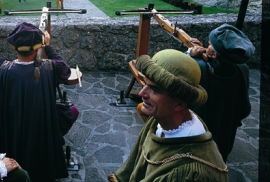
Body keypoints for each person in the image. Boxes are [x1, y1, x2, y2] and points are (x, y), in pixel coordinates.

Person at [108, 49, 228, 182]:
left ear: (179, 104)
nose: (142, 93)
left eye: (154, 89)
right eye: (145, 84)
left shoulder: (191, 172)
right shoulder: (159, 119)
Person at [0, 22, 79, 182]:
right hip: (41, 127)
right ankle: (54, 141)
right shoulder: (49, 68)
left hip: (15, 129)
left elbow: (13, 66)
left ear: (14, 46)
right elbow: (65, 69)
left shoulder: (3, 69)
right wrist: (48, 46)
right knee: (72, 111)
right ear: (38, 46)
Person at [186, 23, 255, 162]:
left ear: (215, 54)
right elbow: (243, 108)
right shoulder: (242, 69)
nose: (207, 46)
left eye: (210, 44)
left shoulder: (199, 68)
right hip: (226, 128)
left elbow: (180, 69)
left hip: (199, 130)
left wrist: (190, 55)